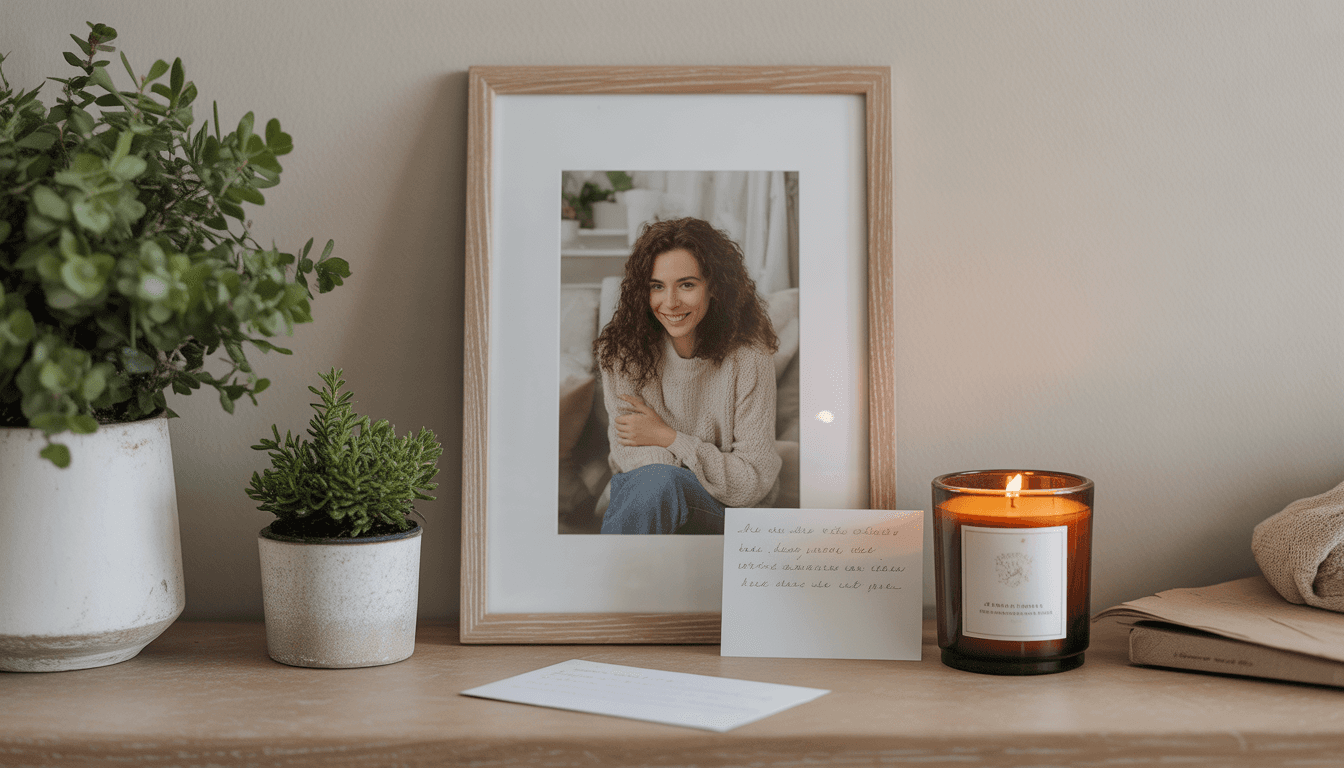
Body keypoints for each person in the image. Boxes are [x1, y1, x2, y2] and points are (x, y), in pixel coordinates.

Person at [593, 217, 781, 535]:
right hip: (646, 496)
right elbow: (631, 456)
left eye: (687, 284)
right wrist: (697, 465)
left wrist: (670, 438)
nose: (670, 303)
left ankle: (611, 578)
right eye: (656, 286)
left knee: (658, 481)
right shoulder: (621, 353)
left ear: (715, 287)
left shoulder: (750, 357)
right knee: (655, 483)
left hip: (726, 510)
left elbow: (752, 479)